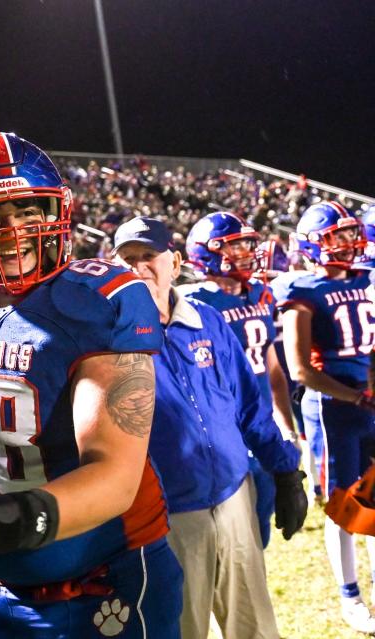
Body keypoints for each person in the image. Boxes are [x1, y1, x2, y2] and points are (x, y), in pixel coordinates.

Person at [0, 133, 181, 639]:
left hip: (107, 576)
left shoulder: (99, 300)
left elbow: (115, 476)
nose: (15, 231)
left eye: (29, 211)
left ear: (57, 214)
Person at [112, 216, 305, 639]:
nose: (139, 267)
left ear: (175, 262)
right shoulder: (108, 336)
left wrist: (285, 469)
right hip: (168, 515)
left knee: (254, 626)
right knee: (184, 629)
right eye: (128, 260)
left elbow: (250, 406)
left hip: (234, 496)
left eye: (149, 256)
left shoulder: (207, 320)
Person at [274, 201, 375, 634]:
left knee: (371, 500)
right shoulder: (302, 291)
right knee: (342, 506)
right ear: (314, 244)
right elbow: (301, 370)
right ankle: (350, 596)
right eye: (336, 236)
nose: (348, 243)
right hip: (334, 409)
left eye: (351, 234)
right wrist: (355, 397)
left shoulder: (365, 279)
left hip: (365, 402)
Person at [180, 212, 299, 547]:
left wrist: (286, 425)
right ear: (209, 252)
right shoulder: (193, 303)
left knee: (260, 526)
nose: (248, 251)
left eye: (249, 244)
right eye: (237, 246)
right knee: (223, 533)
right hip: (222, 428)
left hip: (260, 424)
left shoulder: (261, 296)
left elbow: (272, 366)